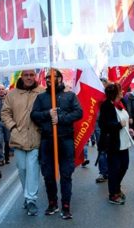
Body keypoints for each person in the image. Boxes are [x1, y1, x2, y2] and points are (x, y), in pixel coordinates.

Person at [31, 69, 83, 220]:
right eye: (47, 77)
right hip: (47, 141)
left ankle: (66, 206)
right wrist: (47, 114)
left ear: (60, 79)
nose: (49, 79)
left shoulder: (70, 96)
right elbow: (33, 115)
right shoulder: (41, 98)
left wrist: (61, 118)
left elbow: (79, 113)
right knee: (48, 174)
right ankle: (52, 203)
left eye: (52, 77)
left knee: (66, 174)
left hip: (65, 140)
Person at [1, 70, 44, 216]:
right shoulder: (12, 94)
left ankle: (31, 200)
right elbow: (5, 113)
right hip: (18, 137)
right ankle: (28, 195)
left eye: (32, 75)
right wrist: (12, 127)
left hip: (35, 137)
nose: (29, 78)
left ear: (35, 76)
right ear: (22, 76)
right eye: (26, 75)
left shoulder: (42, 92)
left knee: (33, 169)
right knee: (22, 169)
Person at [98, 83, 133, 205]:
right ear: (115, 93)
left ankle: (116, 187)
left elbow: (125, 120)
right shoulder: (106, 106)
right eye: (120, 90)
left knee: (124, 166)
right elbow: (103, 125)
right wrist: (118, 125)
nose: (122, 91)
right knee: (114, 169)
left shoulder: (121, 104)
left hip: (124, 141)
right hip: (113, 144)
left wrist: (129, 128)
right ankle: (113, 193)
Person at [0, 84, 11, 165]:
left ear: (5, 90)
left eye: (2, 89)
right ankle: (1, 159)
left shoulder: (9, 99)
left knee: (7, 140)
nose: (1, 90)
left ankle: (7, 157)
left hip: (7, 122)